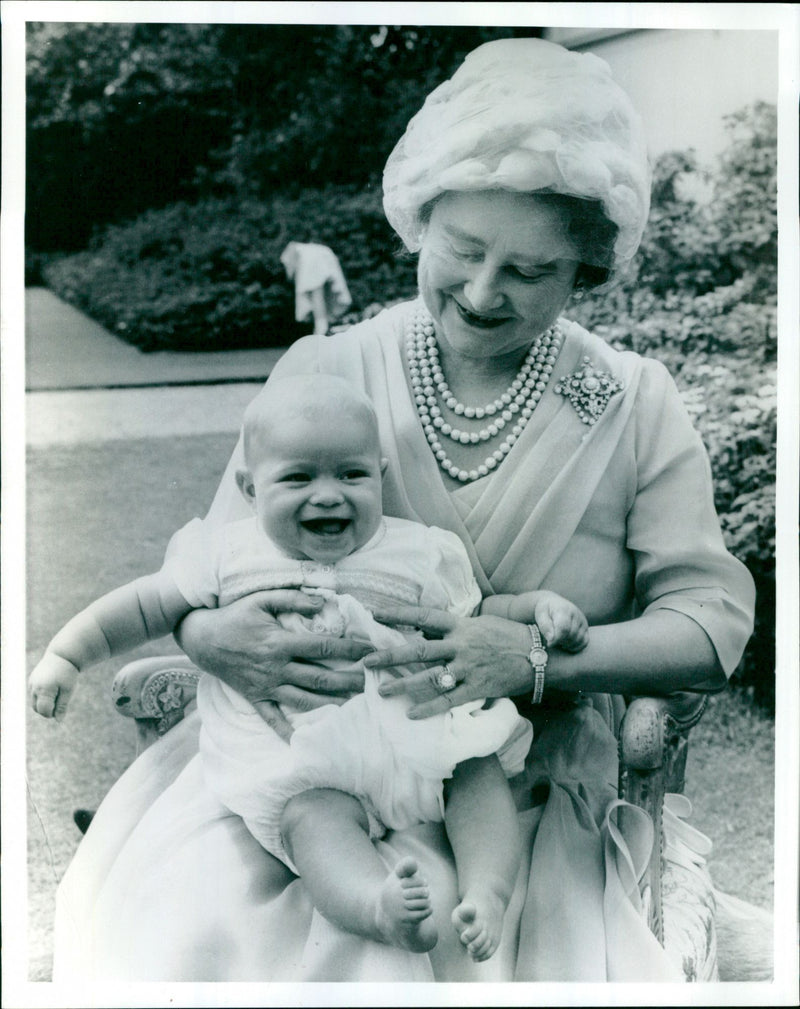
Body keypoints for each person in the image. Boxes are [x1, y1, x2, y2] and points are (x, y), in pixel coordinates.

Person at [50, 37, 755, 983]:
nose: (481, 291)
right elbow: (212, 569)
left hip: (511, 788)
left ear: (588, 269)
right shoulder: (328, 371)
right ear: (420, 219)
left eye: (529, 270)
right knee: (209, 929)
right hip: (302, 765)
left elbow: (709, 629)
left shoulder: (633, 401)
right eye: (462, 250)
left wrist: (538, 659)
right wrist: (216, 636)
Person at [29, 371, 589, 961]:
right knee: (313, 821)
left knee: (477, 774)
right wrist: (67, 654)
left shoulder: (420, 550)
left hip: (419, 740)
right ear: (250, 488)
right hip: (298, 757)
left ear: (381, 477)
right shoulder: (227, 554)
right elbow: (144, 605)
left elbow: (478, 612)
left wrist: (539, 612)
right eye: (298, 478)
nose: (327, 495)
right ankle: (376, 905)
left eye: (351, 474)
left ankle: (488, 892)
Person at [280, 241, 352, 334]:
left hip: (315, 263)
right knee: (320, 300)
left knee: (318, 300)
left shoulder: (292, 250)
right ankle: (323, 328)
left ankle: (321, 329)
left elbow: (290, 273)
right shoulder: (316, 250)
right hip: (323, 259)